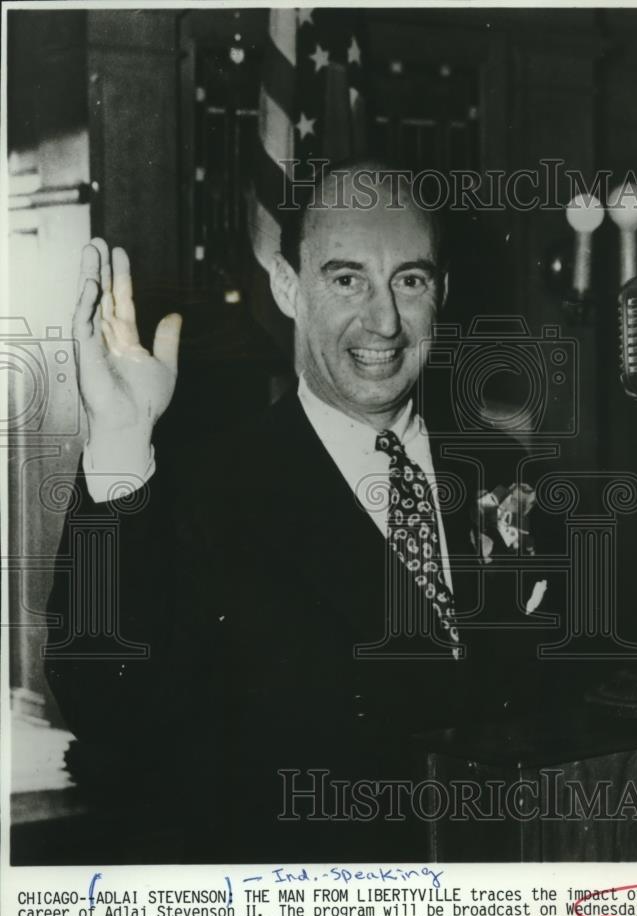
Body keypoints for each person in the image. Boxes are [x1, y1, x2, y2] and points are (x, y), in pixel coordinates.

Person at [45, 162, 551, 862]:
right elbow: (106, 703)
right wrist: (121, 443)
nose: (383, 321)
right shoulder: (209, 490)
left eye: (408, 280)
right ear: (287, 288)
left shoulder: (511, 473)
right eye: (346, 280)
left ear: (441, 293)